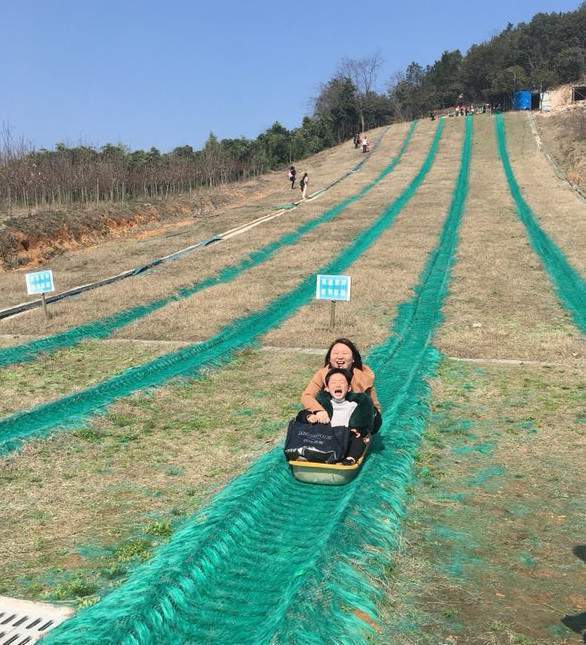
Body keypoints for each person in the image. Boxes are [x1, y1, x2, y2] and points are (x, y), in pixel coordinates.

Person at [301, 337, 381, 431]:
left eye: (345, 353)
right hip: (329, 419)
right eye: (335, 353)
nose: (340, 356)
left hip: (356, 422)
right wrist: (319, 411)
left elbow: (374, 408)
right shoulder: (321, 374)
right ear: (330, 359)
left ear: (353, 359)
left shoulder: (364, 377)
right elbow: (307, 396)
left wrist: (366, 430)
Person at [305, 368, 374, 465]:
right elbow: (303, 414)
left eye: (341, 382)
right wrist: (310, 417)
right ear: (327, 389)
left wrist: (360, 430)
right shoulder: (322, 404)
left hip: (346, 438)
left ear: (349, 388)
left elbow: (365, 419)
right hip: (326, 437)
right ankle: (314, 454)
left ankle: (351, 457)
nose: (338, 385)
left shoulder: (355, 404)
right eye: (333, 382)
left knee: (359, 438)